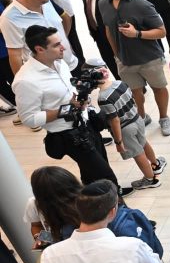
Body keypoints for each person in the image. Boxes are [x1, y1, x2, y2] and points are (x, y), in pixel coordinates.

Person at [13, 26, 120, 187]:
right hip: (69, 135)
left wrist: (80, 100)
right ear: (39, 49)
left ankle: (92, 200)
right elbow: (28, 118)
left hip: (86, 123)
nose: (63, 47)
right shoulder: (26, 81)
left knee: (94, 172)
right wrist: (64, 110)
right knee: (107, 178)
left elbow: (67, 91)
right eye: (56, 45)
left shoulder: (59, 62)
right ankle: (119, 208)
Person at [95, 0, 170, 135]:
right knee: (134, 92)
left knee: (158, 88)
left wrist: (137, 33)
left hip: (149, 58)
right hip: (124, 60)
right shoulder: (102, 4)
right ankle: (142, 116)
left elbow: (162, 31)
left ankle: (164, 117)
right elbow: (109, 29)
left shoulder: (142, 4)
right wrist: (117, 55)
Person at [95, 66, 164, 189]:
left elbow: (114, 120)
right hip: (137, 119)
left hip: (126, 128)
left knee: (137, 153)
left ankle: (150, 180)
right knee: (143, 142)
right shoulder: (120, 83)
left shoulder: (103, 98)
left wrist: (118, 141)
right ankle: (156, 165)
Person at [2, 0, 78, 76]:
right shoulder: (9, 18)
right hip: (46, 76)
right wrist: (22, 82)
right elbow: (15, 54)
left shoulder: (46, 2)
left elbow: (64, 19)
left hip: (70, 65)